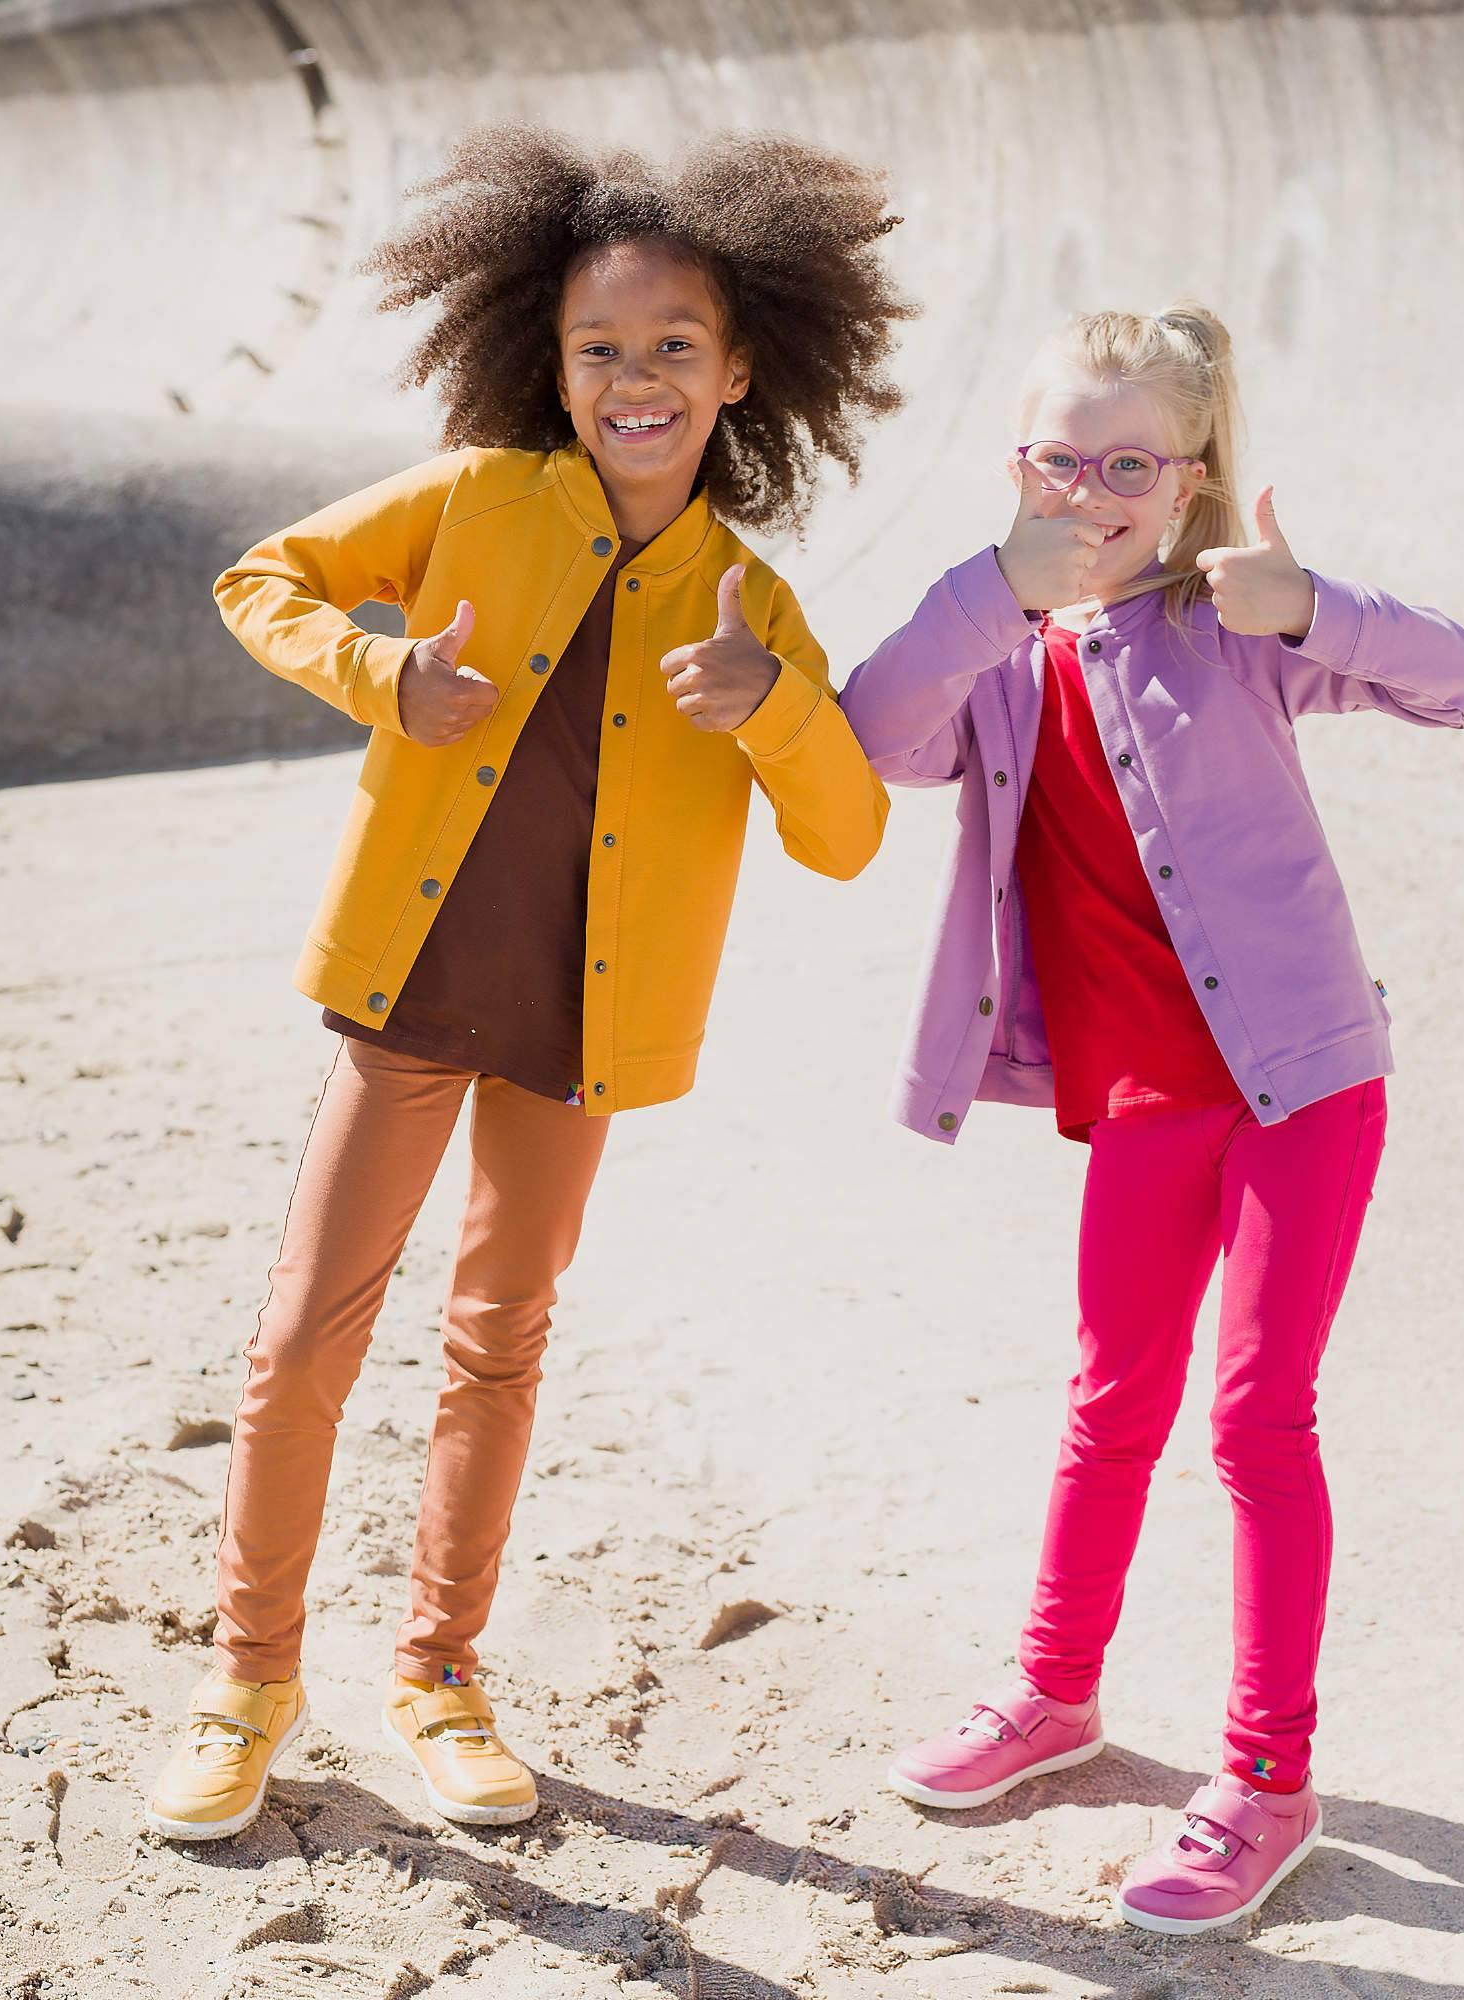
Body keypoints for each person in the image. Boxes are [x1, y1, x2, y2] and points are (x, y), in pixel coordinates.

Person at [143, 124, 907, 1842]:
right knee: (300, 1341)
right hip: (411, 994)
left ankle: (439, 1674)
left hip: (579, 1039)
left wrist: (770, 707)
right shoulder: (481, 498)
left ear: (742, 369)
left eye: (673, 349)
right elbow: (257, 578)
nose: (635, 379)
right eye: (599, 350)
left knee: (500, 1344)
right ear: (544, 363)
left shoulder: (752, 604)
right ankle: (247, 1677)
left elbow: (850, 834)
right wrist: (383, 673)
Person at [838, 305, 1464, 1933]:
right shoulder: (997, 654)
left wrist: (1314, 601)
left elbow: (1459, 683)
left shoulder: (1234, 626)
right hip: (1139, 1103)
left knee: (1257, 1417)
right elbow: (871, 729)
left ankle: (1269, 1776)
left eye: (1131, 463)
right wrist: (991, 589)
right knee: (1108, 1397)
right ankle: (1056, 1699)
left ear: (1189, 480)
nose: (1095, 488)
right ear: (1019, 469)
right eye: (1064, 459)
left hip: (1302, 1080)